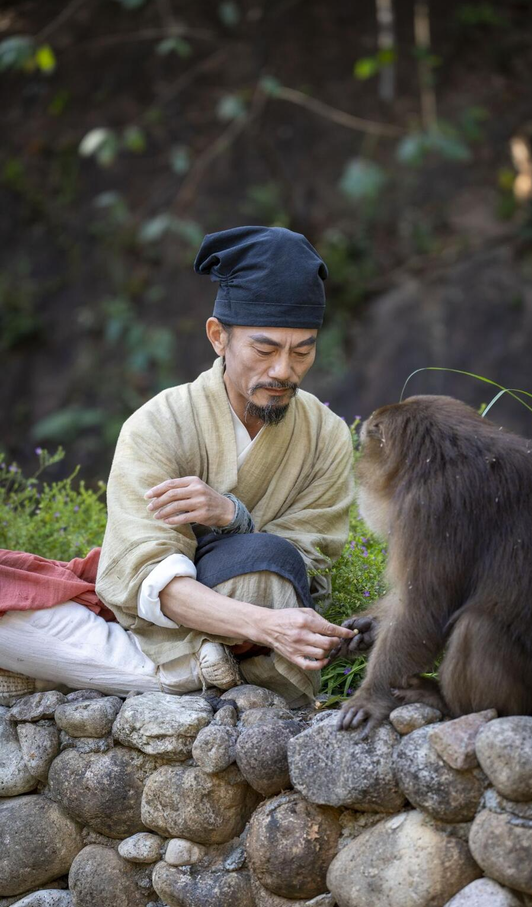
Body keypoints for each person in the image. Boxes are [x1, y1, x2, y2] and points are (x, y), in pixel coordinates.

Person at [0, 226, 356, 706]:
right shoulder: (158, 425)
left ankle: (123, 674)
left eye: (303, 351)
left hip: (266, 626)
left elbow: (300, 566)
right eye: (265, 349)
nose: (283, 371)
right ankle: (188, 673)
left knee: (265, 564)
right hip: (175, 622)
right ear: (218, 337)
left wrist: (233, 519)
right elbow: (149, 576)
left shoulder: (326, 435)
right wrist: (266, 624)